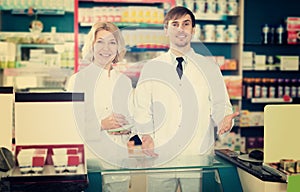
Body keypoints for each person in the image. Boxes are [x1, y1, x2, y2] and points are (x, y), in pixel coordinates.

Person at [129, 6, 239, 192]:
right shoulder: (152, 68)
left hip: (197, 153)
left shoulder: (209, 67)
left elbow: (221, 105)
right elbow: (141, 109)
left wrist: (225, 120)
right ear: (166, 30)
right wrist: (146, 136)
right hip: (161, 154)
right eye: (175, 24)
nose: (181, 29)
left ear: (193, 30)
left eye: (186, 24)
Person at [66, 22, 133, 192]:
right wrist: (102, 124)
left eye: (112, 42)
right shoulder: (78, 80)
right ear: (91, 45)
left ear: (118, 48)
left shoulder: (124, 82)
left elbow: (130, 118)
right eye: (100, 42)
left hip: (119, 159)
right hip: (91, 160)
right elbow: (71, 126)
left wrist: (130, 127)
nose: (106, 48)